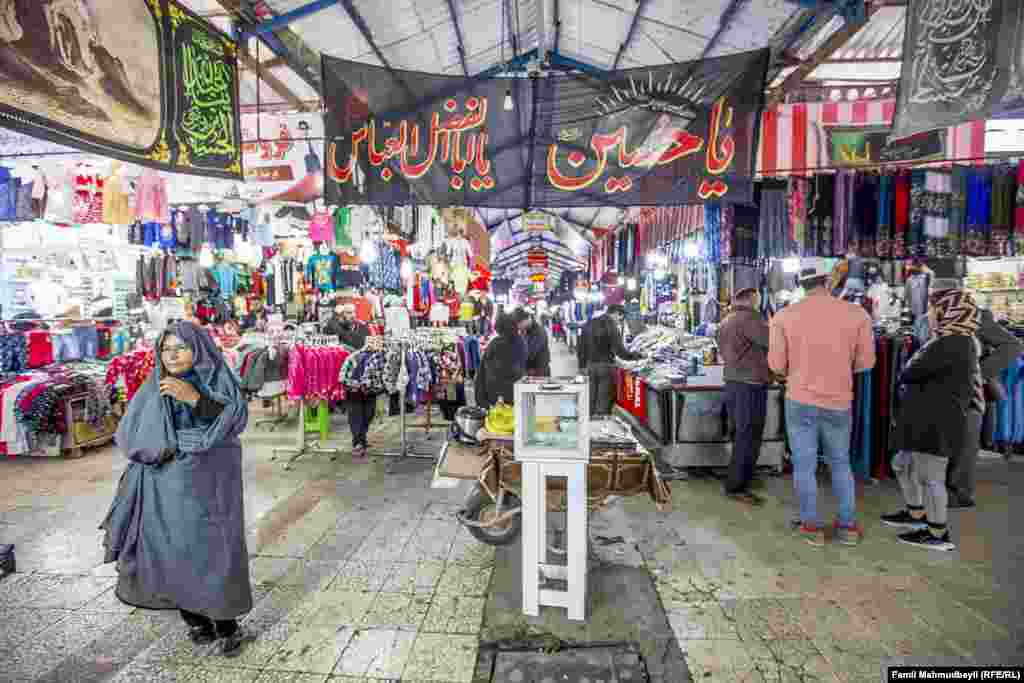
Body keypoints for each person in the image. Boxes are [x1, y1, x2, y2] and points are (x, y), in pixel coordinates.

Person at [100, 321, 252, 656]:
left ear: (198, 348)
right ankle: (195, 620)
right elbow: (132, 434)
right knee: (173, 549)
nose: (171, 355)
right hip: (165, 484)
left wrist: (196, 399)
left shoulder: (217, 377)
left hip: (212, 484)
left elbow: (234, 420)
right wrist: (164, 444)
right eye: (166, 349)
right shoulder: (154, 386)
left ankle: (227, 625)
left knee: (216, 549)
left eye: (180, 347)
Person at [768, 259, 875, 546]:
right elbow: (867, 363)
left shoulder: (784, 317)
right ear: (828, 281)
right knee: (840, 463)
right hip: (839, 400)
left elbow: (776, 366)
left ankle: (811, 527)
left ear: (800, 284)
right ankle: (847, 527)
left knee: (804, 465)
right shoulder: (857, 315)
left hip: (800, 399)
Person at [883, 288, 984, 551]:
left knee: (931, 477)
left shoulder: (951, 343)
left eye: (935, 309)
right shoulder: (954, 341)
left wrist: (910, 366)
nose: (929, 314)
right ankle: (917, 514)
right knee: (903, 464)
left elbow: (910, 372)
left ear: (948, 311)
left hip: (936, 421)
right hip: (927, 418)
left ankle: (938, 533)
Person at [948, 306, 1021, 507]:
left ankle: (960, 493)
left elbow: (1012, 346)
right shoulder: (930, 315)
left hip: (970, 391)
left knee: (968, 440)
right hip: (943, 390)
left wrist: (978, 372)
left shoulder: (976, 316)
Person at [717, 287, 773, 505]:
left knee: (741, 433)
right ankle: (736, 485)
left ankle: (740, 477)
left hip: (734, 382)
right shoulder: (749, 319)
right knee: (748, 435)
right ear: (752, 300)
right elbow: (771, 341)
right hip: (750, 384)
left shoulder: (726, 320)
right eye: (757, 300)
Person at [578, 304, 644, 416]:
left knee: (591, 397)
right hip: (606, 367)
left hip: (590, 366)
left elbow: (581, 347)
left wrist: (581, 365)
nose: (620, 321)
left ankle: (588, 423)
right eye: (620, 318)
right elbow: (620, 351)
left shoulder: (588, 324)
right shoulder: (612, 326)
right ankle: (600, 423)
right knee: (603, 399)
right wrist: (637, 356)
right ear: (616, 313)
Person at [333, 303, 374, 458]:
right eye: (348, 313)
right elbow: (329, 331)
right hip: (349, 376)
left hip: (367, 374)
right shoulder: (337, 328)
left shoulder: (364, 327)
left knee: (370, 410)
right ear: (342, 314)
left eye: (353, 312)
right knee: (355, 410)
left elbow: (371, 343)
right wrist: (335, 317)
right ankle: (358, 441)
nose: (351, 315)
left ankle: (361, 437)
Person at [475, 309, 531, 410]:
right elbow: (521, 366)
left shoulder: (495, 344)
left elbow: (482, 372)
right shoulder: (521, 342)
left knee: (498, 423)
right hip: (514, 393)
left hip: (494, 396)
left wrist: (481, 399)